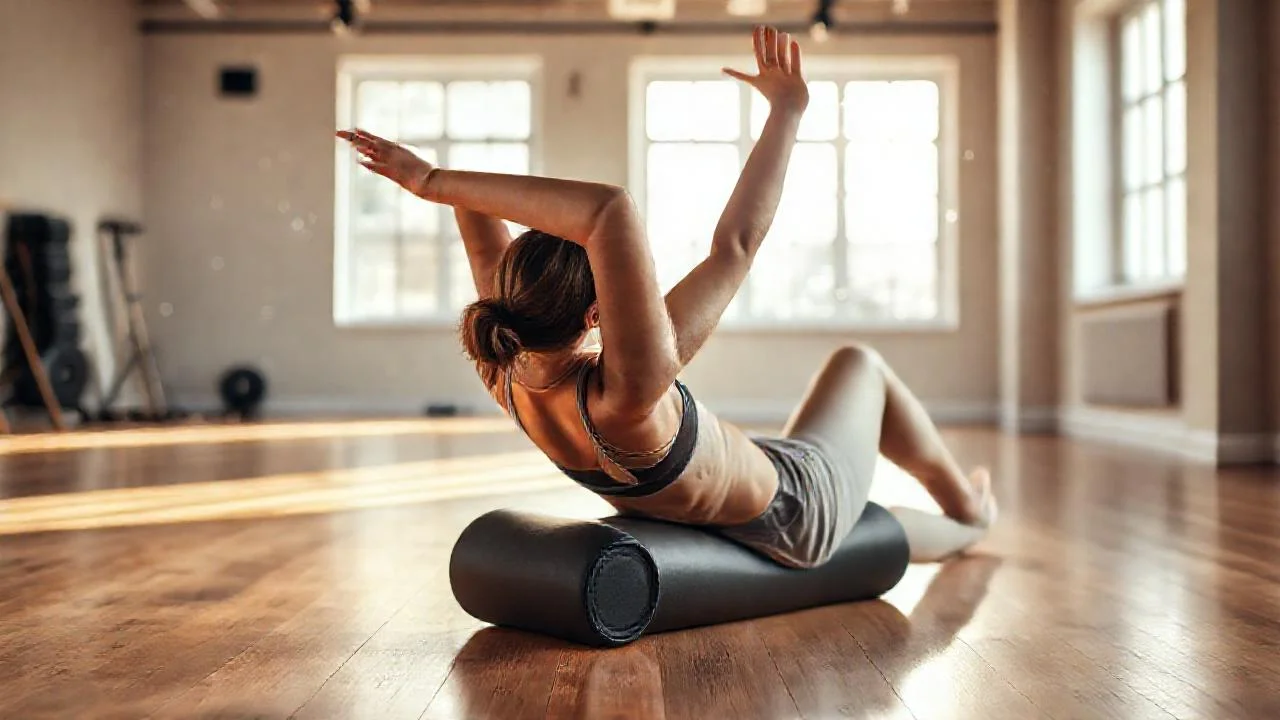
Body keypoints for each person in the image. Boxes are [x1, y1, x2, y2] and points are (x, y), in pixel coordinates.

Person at [338, 25, 995, 567]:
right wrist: (789, 110)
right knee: (859, 363)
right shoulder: (630, 395)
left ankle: (966, 521)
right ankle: (968, 507)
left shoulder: (506, 371)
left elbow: (488, 247)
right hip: (798, 511)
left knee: (823, 465)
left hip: (740, 500)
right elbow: (702, 238)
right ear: (598, 314)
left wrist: (433, 184)